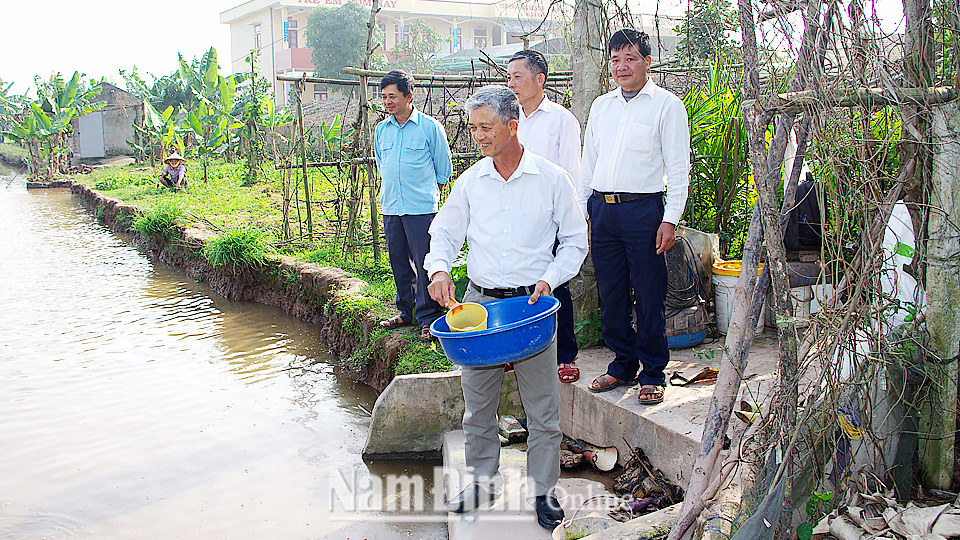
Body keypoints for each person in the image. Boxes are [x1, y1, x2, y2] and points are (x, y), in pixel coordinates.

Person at [424, 85, 588, 530]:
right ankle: (481, 481)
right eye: (473, 127)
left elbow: (576, 240)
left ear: (512, 126)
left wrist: (550, 278)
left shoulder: (552, 179)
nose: (477, 135)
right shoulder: (471, 181)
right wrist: (440, 270)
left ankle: (542, 490)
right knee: (478, 405)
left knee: (542, 408)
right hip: (480, 307)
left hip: (532, 307)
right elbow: (444, 233)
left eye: (486, 126)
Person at [577, 29, 690, 405]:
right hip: (602, 211)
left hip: (644, 211)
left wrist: (670, 218)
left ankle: (653, 371)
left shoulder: (666, 105)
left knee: (649, 292)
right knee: (610, 294)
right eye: (615, 59)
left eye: (630, 58)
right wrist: (583, 211)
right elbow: (588, 161)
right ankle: (623, 363)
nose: (621, 67)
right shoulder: (601, 106)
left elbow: (678, 167)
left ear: (647, 62)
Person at [506, 49, 583, 384]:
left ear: (539, 79)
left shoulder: (561, 120)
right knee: (514, 283)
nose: (511, 84)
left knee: (556, 284)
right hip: (513, 216)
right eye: (508, 77)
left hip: (551, 217)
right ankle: (519, 351)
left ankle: (564, 354)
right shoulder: (509, 120)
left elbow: (572, 174)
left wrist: (572, 221)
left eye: (517, 77)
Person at [373, 70, 453, 340]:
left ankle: (428, 317)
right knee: (398, 262)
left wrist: (432, 194)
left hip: (421, 209)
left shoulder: (429, 127)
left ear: (409, 95)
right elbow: (382, 164)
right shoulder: (381, 130)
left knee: (424, 262)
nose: (387, 102)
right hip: (392, 207)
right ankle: (405, 311)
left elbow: (443, 168)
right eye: (383, 97)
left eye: (392, 96)